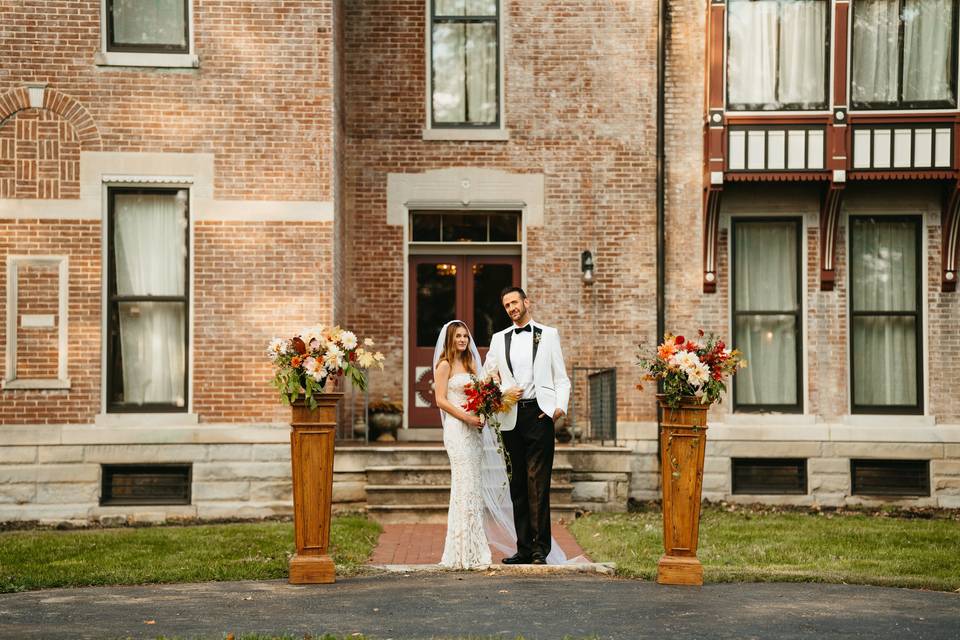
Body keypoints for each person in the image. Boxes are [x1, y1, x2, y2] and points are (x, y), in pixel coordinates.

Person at [483, 287, 570, 565]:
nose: (511, 308)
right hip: (511, 418)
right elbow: (487, 376)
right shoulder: (498, 339)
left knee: (539, 484)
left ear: (526, 302)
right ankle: (522, 548)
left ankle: (539, 549)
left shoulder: (548, 335)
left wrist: (558, 408)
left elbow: (562, 378)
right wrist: (503, 391)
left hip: (540, 415)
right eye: (506, 305)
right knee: (517, 484)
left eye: (514, 302)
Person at [432, 320, 492, 569]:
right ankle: (458, 551)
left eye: (465, 336)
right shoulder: (444, 365)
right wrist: (467, 417)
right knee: (462, 486)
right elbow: (441, 400)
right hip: (457, 430)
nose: (463, 340)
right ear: (449, 338)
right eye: (458, 336)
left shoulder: (470, 364)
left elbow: (479, 395)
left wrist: (484, 412)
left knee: (473, 487)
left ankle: (475, 549)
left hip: (473, 431)